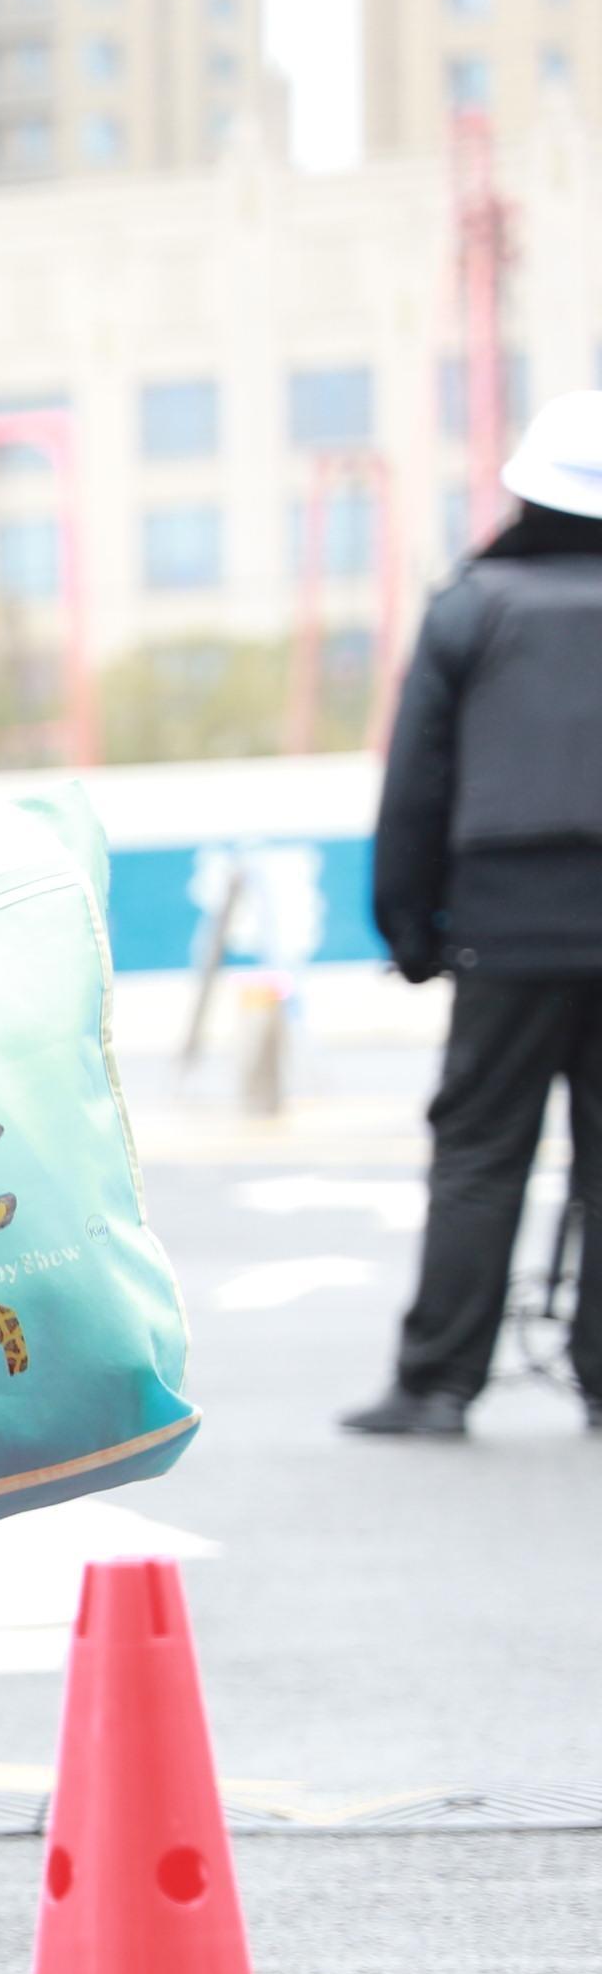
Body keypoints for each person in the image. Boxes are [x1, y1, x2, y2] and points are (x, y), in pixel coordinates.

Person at [340, 392, 602, 1440]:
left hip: (509, 927)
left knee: (482, 1152)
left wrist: (409, 932)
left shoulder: (471, 608)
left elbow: (416, 786)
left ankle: (439, 1384)